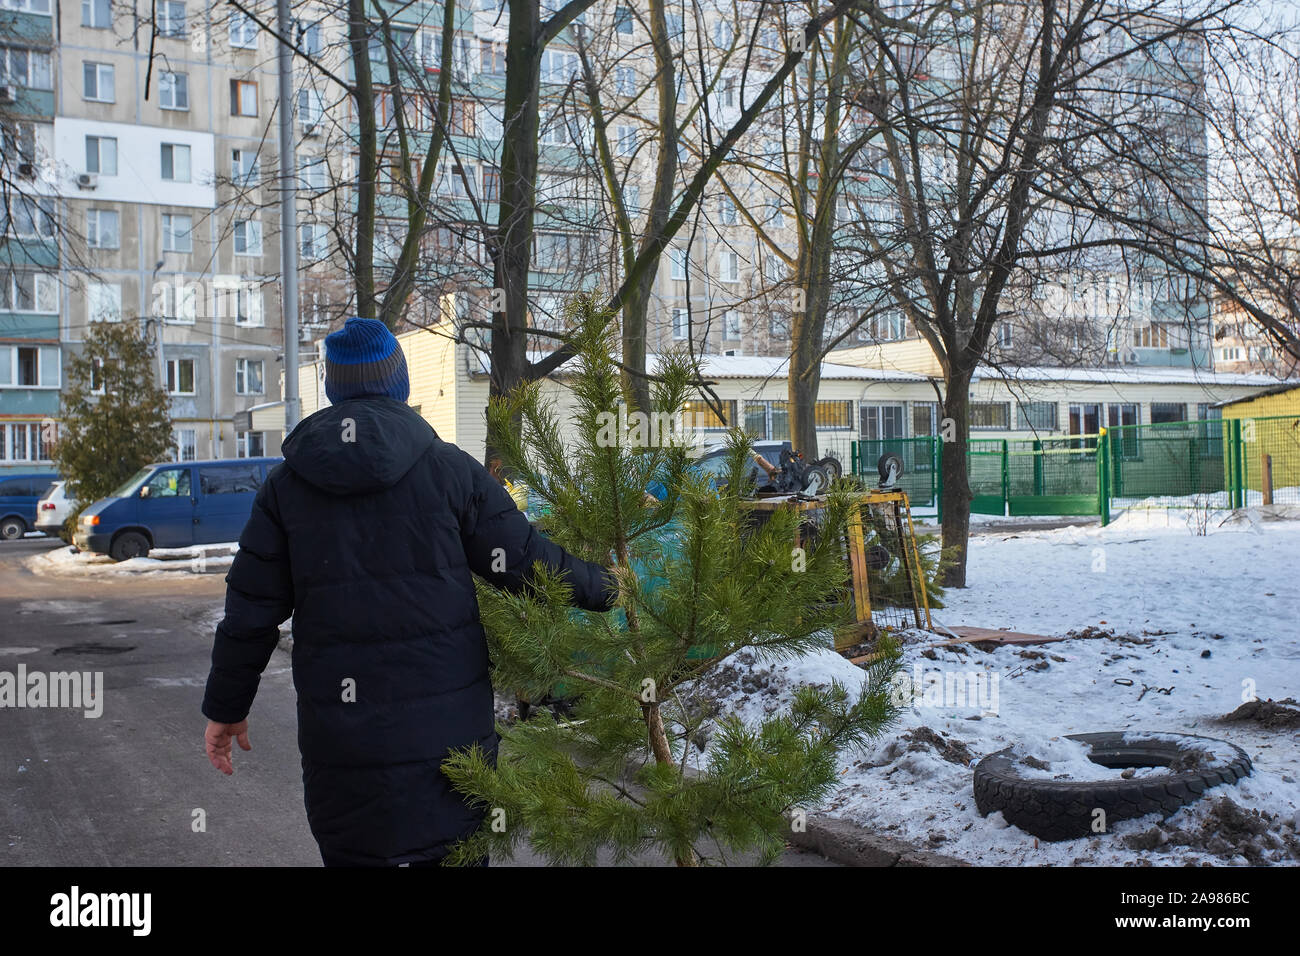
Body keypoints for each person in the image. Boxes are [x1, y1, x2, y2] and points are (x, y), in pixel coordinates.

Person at [201, 317, 618, 867]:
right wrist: (609, 588)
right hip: (449, 746)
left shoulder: (286, 487)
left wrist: (226, 708)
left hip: (343, 750)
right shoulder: (450, 471)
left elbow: (249, 613)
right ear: (400, 383)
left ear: (334, 388)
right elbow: (525, 563)